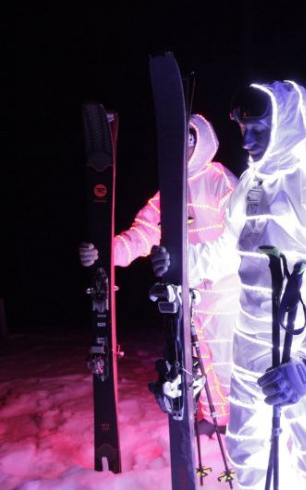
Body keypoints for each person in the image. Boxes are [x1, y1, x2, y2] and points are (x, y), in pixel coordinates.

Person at [152, 80, 306, 489]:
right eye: (242, 129)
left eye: (259, 129)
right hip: (251, 352)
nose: (247, 141)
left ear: (287, 126)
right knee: (247, 456)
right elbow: (229, 251)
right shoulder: (249, 188)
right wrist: (182, 263)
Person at [79, 113, 239, 428]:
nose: (184, 145)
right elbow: (142, 234)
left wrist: (189, 263)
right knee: (198, 361)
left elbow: (237, 241)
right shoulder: (168, 191)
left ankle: (238, 424)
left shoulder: (220, 180)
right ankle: (214, 418)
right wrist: (104, 253)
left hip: (226, 293)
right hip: (188, 296)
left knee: (229, 363)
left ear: (202, 140)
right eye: (179, 137)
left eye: (190, 137)